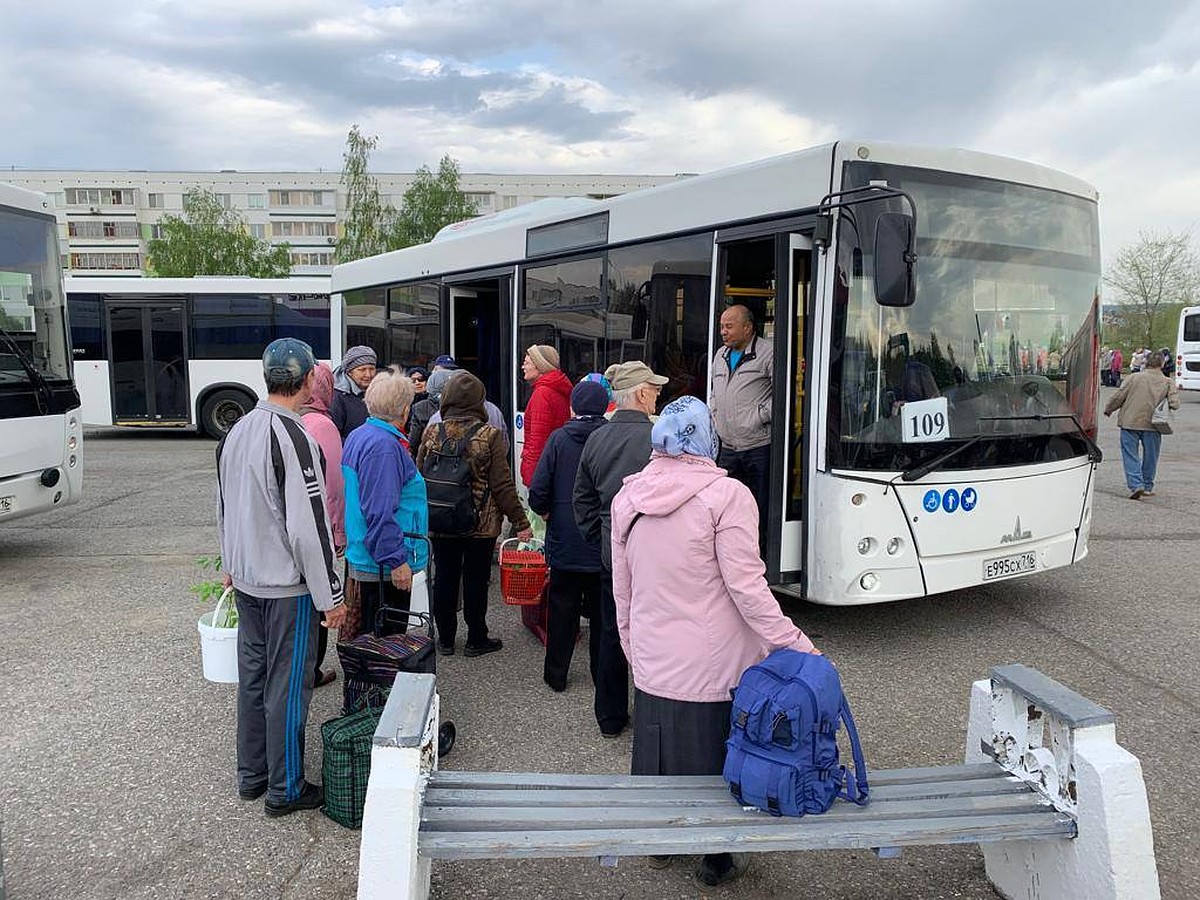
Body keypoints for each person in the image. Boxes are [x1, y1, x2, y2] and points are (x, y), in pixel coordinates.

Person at [610, 395, 818, 887]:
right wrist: (794, 643)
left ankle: (660, 843)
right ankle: (715, 857)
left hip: (654, 662)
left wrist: (633, 650)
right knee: (713, 762)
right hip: (714, 667)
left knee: (658, 752)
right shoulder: (728, 498)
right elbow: (747, 588)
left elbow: (623, 590)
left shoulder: (629, 498)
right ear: (708, 437)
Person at [215, 338, 346, 817]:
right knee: (288, 688)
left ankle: (251, 776)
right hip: (287, 589)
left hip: (247, 581)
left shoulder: (236, 431)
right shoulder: (294, 437)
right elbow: (308, 527)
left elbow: (223, 506)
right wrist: (332, 594)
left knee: (253, 679)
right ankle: (286, 787)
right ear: (309, 379)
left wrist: (230, 563)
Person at [573, 360, 668, 737]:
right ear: (641, 394)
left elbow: (581, 499)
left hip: (611, 553)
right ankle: (655, 714)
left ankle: (610, 716)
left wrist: (601, 541)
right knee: (656, 634)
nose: (658, 395)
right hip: (656, 553)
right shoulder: (660, 436)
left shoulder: (597, 437)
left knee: (611, 632)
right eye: (655, 390)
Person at [416, 372, 532, 656]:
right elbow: (502, 484)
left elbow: (419, 473)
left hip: (441, 519)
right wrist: (520, 521)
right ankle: (476, 638)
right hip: (480, 523)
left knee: (445, 576)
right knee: (476, 579)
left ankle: (445, 640)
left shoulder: (433, 431)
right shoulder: (488, 434)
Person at [528, 380, 609, 693]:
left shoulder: (559, 439)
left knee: (562, 610)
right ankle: (601, 675)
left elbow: (539, 487)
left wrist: (546, 511)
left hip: (565, 538)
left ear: (573, 407)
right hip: (602, 541)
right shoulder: (610, 438)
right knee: (602, 616)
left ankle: (556, 675)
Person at [340, 370, 429, 642]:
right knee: (386, 641)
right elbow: (380, 510)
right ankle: (383, 685)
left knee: (370, 633)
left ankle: (373, 682)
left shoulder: (361, 435)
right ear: (404, 410)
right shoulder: (384, 447)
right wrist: (396, 561)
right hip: (382, 561)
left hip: (367, 552)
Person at [710, 304, 773, 551]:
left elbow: (782, 394)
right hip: (727, 447)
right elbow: (715, 393)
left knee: (758, 508)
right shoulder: (720, 355)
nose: (723, 332)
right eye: (722, 327)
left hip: (758, 446)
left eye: (729, 326)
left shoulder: (768, 353)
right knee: (727, 509)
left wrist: (758, 416)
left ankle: (759, 557)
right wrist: (716, 414)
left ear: (747, 328)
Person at [299, 362, 346, 688]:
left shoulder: (289, 419)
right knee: (318, 603)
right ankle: (311, 671)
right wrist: (338, 531)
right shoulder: (323, 426)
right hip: (316, 531)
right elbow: (333, 488)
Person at [1104, 351, 1179, 499]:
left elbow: (1119, 396)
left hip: (1130, 421)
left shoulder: (1134, 378)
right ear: (1162, 364)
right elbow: (1175, 404)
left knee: (1130, 454)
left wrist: (1109, 409)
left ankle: (1136, 484)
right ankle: (1147, 486)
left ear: (1145, 363)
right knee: (1151, 456)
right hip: (1154, 424)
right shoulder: (1167, 382)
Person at [520, 344, 572, 486]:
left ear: (539, 365)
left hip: (540, 473)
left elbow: (537, 442)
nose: (522, 367)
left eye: (526, 363)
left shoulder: (542, 393)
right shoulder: (557, 389)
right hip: (555, 467)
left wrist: (531, 479)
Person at [330, 345, 377, 440]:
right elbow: (335, 436)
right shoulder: (338, 397)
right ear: (349, 372)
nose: (368, 375)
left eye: (371, 369)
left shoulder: (376, 391)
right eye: (362, 370)